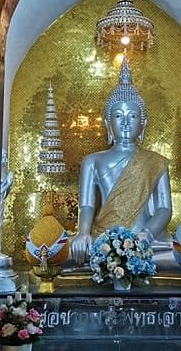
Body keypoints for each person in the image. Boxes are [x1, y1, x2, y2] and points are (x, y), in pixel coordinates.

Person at [71, 57, 173, 266]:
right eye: (118, 116)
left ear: (143, 124)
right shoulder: (92, 161)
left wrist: (147, 235)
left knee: (176, 258)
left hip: (146, 241)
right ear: (108, 124)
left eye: (133, 116)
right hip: (103, 238)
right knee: (70, 255)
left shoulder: (156, 161)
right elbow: (87, 204)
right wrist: (82, 233)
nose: (126, 122)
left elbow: (165, 209)